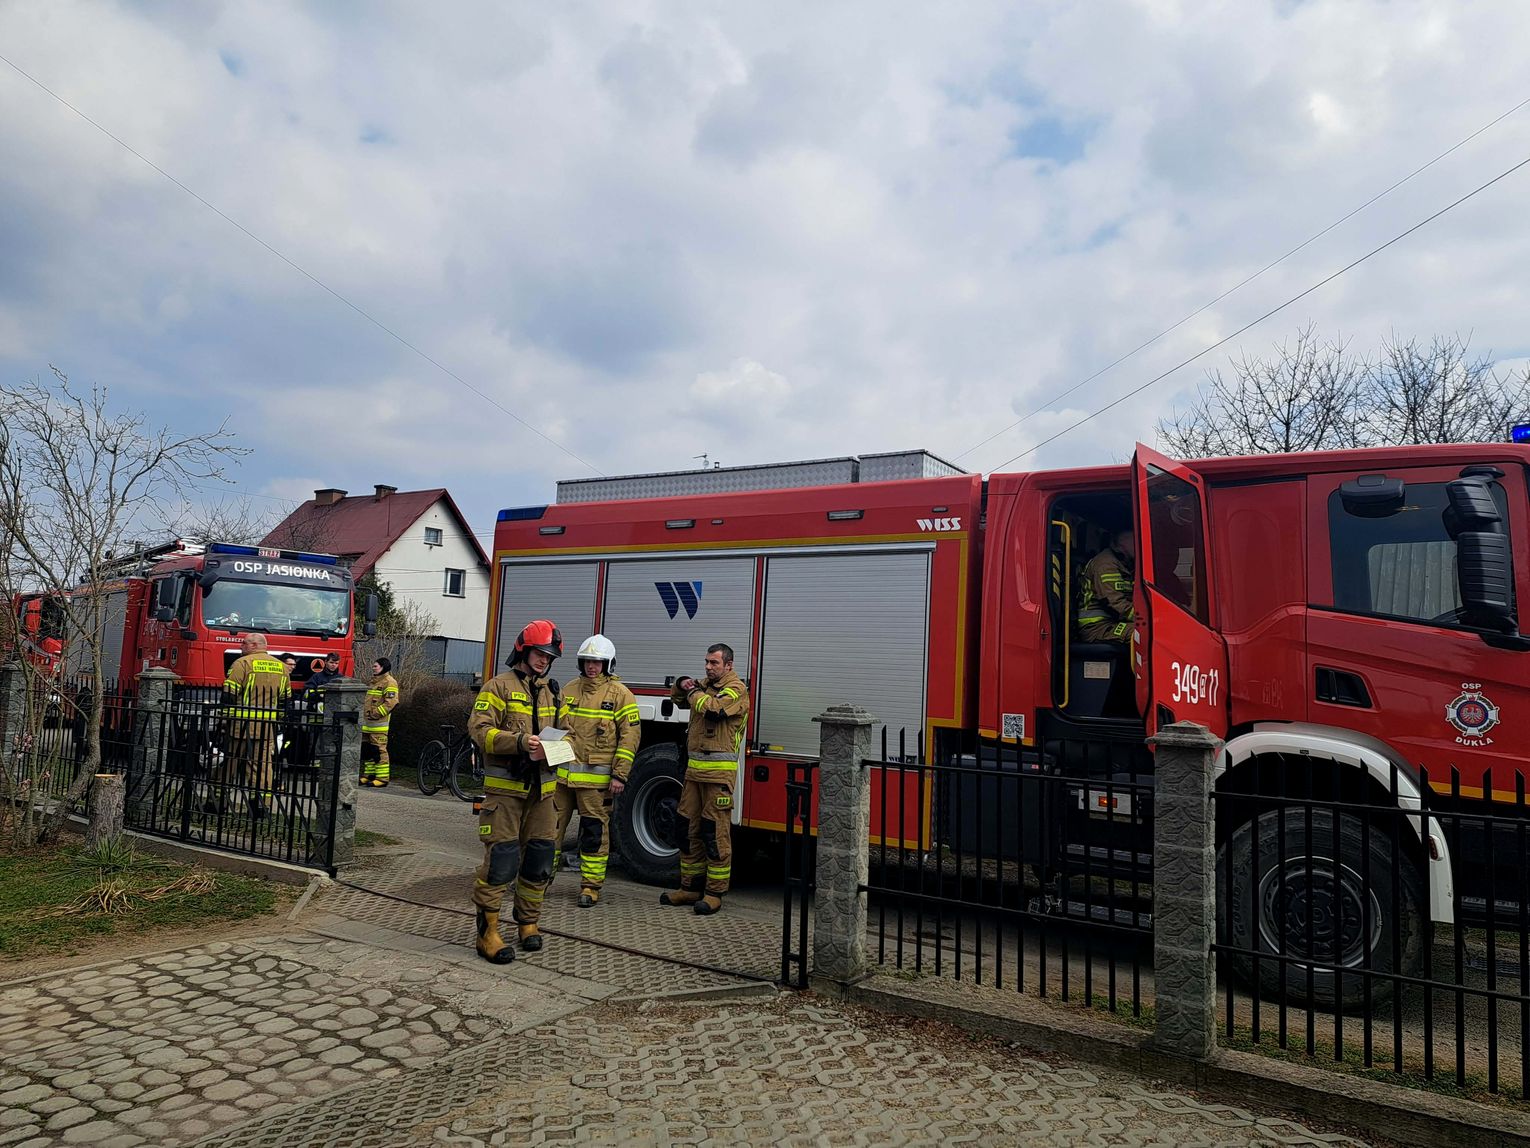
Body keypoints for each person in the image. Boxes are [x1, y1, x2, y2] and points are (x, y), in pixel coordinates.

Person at [466, 619, 563, 963]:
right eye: (539, 653)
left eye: (549, 656)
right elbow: (480, 731)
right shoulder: (498, 687)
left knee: (539, 861)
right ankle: (487, 934)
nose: (544, 660)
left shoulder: (552, 691)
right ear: (523, 650)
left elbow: (567, 732)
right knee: (501, 863)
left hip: (543, 793)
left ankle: (528, 924)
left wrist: (560, 749)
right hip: (506, 794)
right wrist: (520, 742)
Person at [661, 643, 750, 916]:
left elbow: (713, 709)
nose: (708, 667)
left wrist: (692, 691)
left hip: (718, 777)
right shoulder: (705, 686)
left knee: (715, 834)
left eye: (714, 663)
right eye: (707, 662)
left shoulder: (736, 690)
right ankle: (689, 887)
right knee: (687, 830)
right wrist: (682, 683)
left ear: (728, 665)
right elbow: (678, 698)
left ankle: (714, 893)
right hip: (694, 774)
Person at [553, 634, 640, 907]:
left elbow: (630, 738)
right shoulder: (568, 689)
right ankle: (538, 879)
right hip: (562, 779)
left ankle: (590, 886)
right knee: (548, 831)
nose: (592, 667)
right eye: (587, 661)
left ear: (608, 664)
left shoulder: (621, 695)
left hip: (595, 782)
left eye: (597, 662)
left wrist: (620, 774)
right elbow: (555, 727)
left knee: (593, 834)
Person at [219, 632, 291, 819]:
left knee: (229, 764)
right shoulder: (282, 667)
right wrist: (278, 723)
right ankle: (260, 806)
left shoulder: (242, 664)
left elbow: (229, 696)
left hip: (240, 727)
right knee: (262, 767)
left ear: (254, 645)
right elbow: (285, 702)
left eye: (243, 643)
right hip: (267, 728)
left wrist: (224, 721)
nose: (240, 646)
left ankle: (217, 801)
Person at [1077, 529, 1137, 644]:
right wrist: (1144, 620)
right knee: (1144, 633)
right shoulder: (1105, 565)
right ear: (1122, 543)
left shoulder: (1125, 564)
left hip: (1113, 622)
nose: (1138, 546)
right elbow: (1114, 603)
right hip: (1098, 627)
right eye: (1134, 541)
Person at [360, 657, 399, 786]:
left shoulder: (390, 682)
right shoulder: (374, 682)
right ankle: (369, 775)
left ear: (383, 667)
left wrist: (375, 714)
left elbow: (391, 703)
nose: (373, 668)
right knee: (368, 751)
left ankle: (382, 779)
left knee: (380, 751)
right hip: (367, 724)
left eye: (376, 666)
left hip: (378, 725)